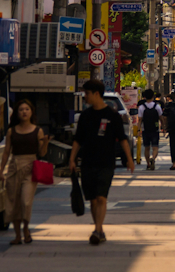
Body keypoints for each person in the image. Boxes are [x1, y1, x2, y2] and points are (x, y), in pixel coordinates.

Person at [70, 80, 135, 245]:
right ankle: (99, 229)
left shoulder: (113, 116)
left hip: (106, 162)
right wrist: (72, 159)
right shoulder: (85, 116)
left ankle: (98, 229)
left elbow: (122, 139)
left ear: (96, 94)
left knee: (101, 197)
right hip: (87, 162)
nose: (85, 97)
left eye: (87, 93)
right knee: (92, 199)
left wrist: (129, 159)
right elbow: (78, 140)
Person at [0, 99, 50, 245]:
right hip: (14, 167)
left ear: (31, 111)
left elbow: (42, 153)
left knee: (25, 201)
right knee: (13, 202)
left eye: (27, 109)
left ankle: (26, 229)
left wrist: (45, 142)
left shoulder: (37, 130)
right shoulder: (11, 131)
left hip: (30, 168)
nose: (24, 112)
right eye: (21, 109)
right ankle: (17, 235)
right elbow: (6, 152)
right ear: (17, 113)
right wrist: (1, 171)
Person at [137, 89, 164, 170]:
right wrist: (163, 127)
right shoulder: (157, 106)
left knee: (147, 148)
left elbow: (140, 120)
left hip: (145, 130)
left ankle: (148, 163)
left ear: (144, 96)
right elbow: (161, 118)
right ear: (153, 96)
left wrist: (139, 130)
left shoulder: (141, 107)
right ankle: (153, 158)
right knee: (155, 147)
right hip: (155, 129)